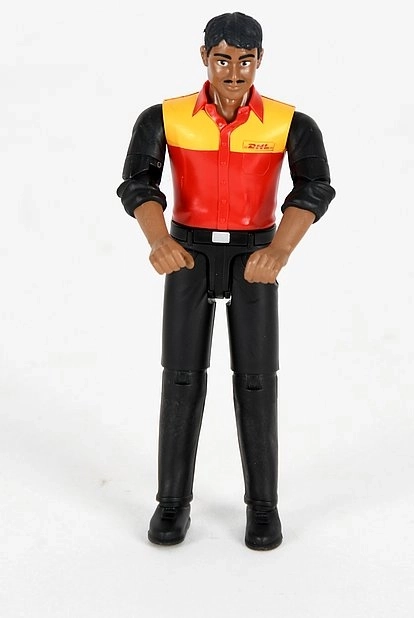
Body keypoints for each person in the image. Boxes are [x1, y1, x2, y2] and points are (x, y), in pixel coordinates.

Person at [117, 12, 335, 550]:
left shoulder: (290, 123)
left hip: (254, 253)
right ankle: (172, 502)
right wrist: (158, 239)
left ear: (259, 61)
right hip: (187, 252)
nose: (233, 73)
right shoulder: (163, 117)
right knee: (181, 378)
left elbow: (314, 187)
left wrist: (279, 249)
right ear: (204, 58)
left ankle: (263, 507)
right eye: (222, 60)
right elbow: (137, 182)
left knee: (257, 380)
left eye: (244, 61)